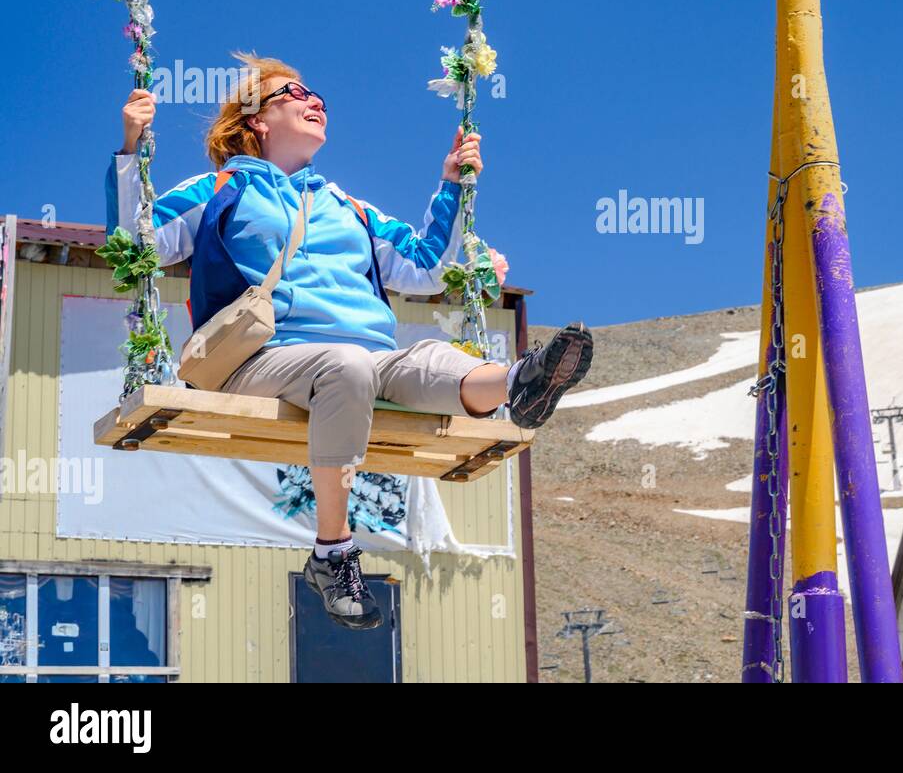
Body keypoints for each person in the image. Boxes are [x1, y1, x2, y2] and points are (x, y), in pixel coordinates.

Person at [107, 52, 593, 630]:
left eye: (320, 97)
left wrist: (451, 185)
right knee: (347, 366)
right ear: (256, 119)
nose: (317, 101)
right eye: (297, 93)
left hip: (366, 358)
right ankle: (333, 552)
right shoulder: (216, 188)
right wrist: (133, 150)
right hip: (262, 359)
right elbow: (134, 245)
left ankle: (523, 383)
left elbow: (423, 267)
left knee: (436, 360)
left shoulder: (347, 206)